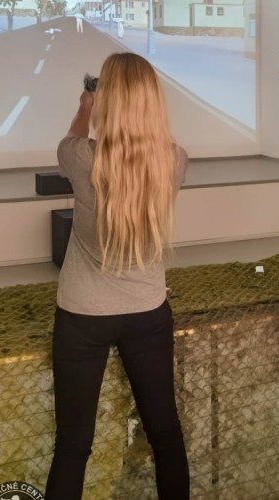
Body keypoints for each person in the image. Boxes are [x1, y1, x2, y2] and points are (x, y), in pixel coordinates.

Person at [46, 53, 189, 500]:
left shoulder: (78, 156)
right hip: (148, 313)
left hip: (82, 316)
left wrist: (85, 108)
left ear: (105, 99)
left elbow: (73, 136)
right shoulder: (175, 160)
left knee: (72, 446)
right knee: (165, 434)